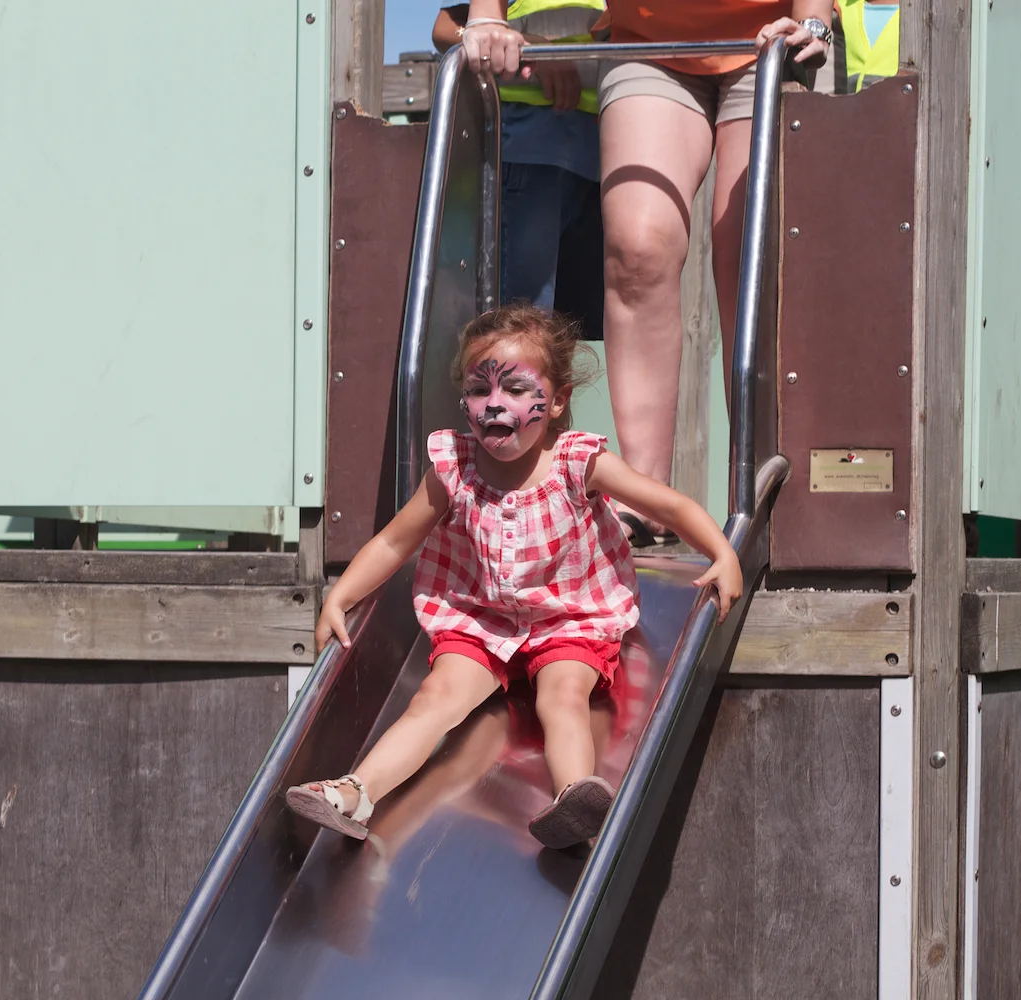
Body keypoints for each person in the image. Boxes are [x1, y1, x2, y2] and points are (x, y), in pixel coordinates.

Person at [286, 305, 742, 850]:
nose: (495, 403)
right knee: (436, 697)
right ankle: (358, 792)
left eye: (516, 388)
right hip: (481, 618)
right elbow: (393, 540)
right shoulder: (454, 467)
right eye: (480, 389)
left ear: (557, 400)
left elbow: (666, 505)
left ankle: (576, 797)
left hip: (568, 618)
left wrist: (722, 550)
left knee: (563, 695)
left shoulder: (578, 462)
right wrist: (341, 594)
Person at [458, 2, 831, 544]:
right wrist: (488, 12)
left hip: (770, 39)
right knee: (637, 246)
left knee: (750, 249)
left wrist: (815, 20)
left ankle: (764, 497)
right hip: (649, 40)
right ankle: (644, 496)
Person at [433, 1, 606, 339]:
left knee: (585, 338)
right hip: (530, 150)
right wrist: (528, 45)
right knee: (521, 328)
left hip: (604, 153)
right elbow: (445, 27)